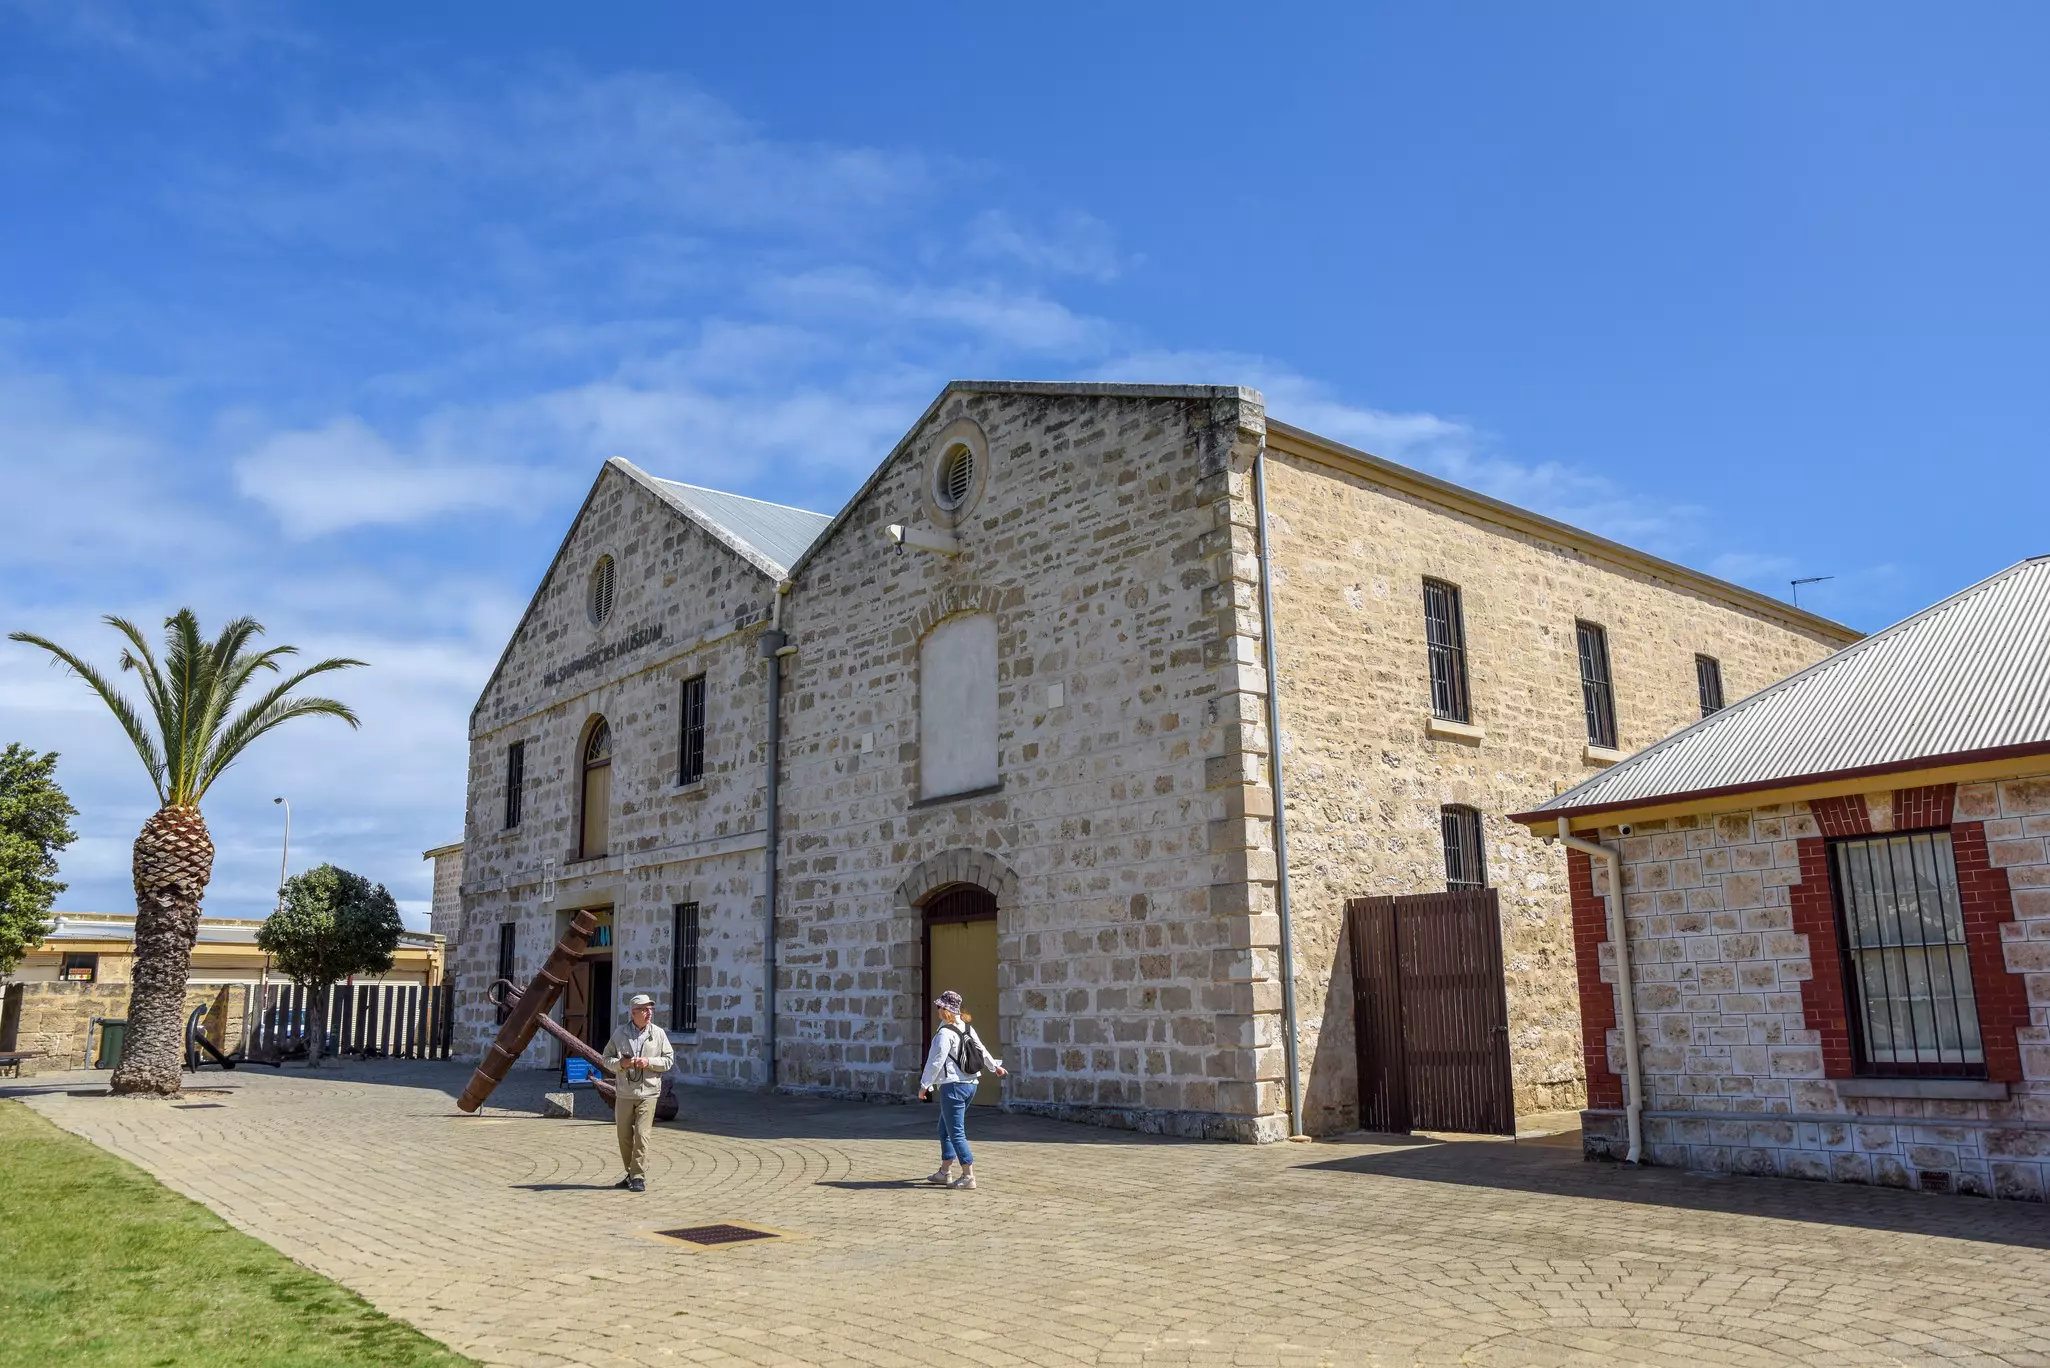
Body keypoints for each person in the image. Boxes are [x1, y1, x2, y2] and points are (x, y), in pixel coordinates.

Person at [918, 989, 1006, 1190]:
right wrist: (995, 1067)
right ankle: (944, 1172)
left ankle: (968, 1176)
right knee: (945, 1128)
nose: (937, 1009)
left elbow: (935, 1062)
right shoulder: (967, 1028)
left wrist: (924, 1086)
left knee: (956, 1132)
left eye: (939, 1006)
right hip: (970, 1085)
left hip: (954, 1087)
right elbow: (981, 1049)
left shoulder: (944, 1034)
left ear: (946, 1010)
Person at [600, 992, 673, 1192]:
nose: (648, 1012)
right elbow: (606, 1059)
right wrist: (621, 1064)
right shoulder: (620, 1033)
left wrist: (649, 1062)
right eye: (643, 1009)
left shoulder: (658, 1034)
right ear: (633, 1012)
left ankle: (638, 1176)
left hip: (648, 1093)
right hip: (624, 1092)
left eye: (650, 1009)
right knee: (623, 1135)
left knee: (642, 1135)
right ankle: (631, 1173)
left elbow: (668, 1060)